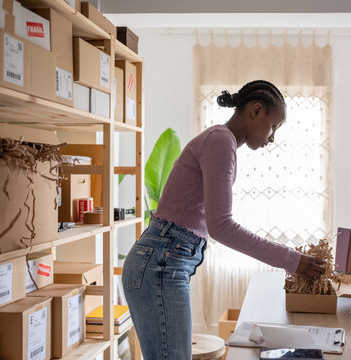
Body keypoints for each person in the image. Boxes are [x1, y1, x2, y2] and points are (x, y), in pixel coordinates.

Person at [122, 80, 326, 359]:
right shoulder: (220, 141)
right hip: (160, 263)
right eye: (274, 126)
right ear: (256, 111)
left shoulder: (221, 141)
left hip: (163, 260)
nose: (272, 137)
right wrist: (293, 260)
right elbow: (222, 226)